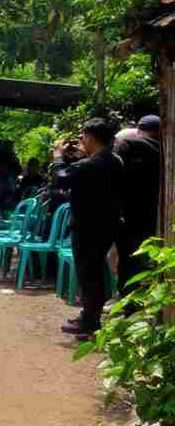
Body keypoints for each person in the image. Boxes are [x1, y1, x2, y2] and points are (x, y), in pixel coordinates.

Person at [62, 118, 124, 340]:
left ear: (90, 137)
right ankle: (89, 317)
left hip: (86, 227)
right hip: (107, 225)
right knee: (95, 272)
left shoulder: (87, 165)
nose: (81, 141)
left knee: (88, 274)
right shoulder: (115, 160)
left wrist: (58, 159)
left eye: (83, 137)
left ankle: (90, 322)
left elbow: (60, 181)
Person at [115, 114, 162, 296]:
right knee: (148, 262)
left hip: (127, 216)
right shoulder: (164, 153)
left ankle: (127, 304)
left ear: (138, 130)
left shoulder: (127, 147)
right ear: (159, 132)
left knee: (127, 263)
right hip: (153, 217)